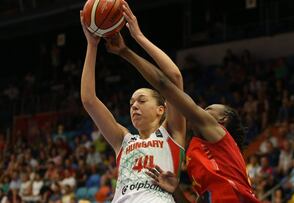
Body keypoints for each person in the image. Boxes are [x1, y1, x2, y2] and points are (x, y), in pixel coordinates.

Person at [109, 2, 259, 202]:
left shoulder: (218, 135)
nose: (202, 111)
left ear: (222, 121)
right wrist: (174, 190)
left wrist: (130, 46)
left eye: (208, 109)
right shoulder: (199, 155)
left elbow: (167, 82)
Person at [79, 1, 186, 202]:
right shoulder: (123, 140)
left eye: (141, 100)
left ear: (161, 109)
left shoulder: (171, 132)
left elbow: (174, 78)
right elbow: (89, 101)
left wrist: (138, 37)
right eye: (131, 103)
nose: (134, 106)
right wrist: (92, 45)